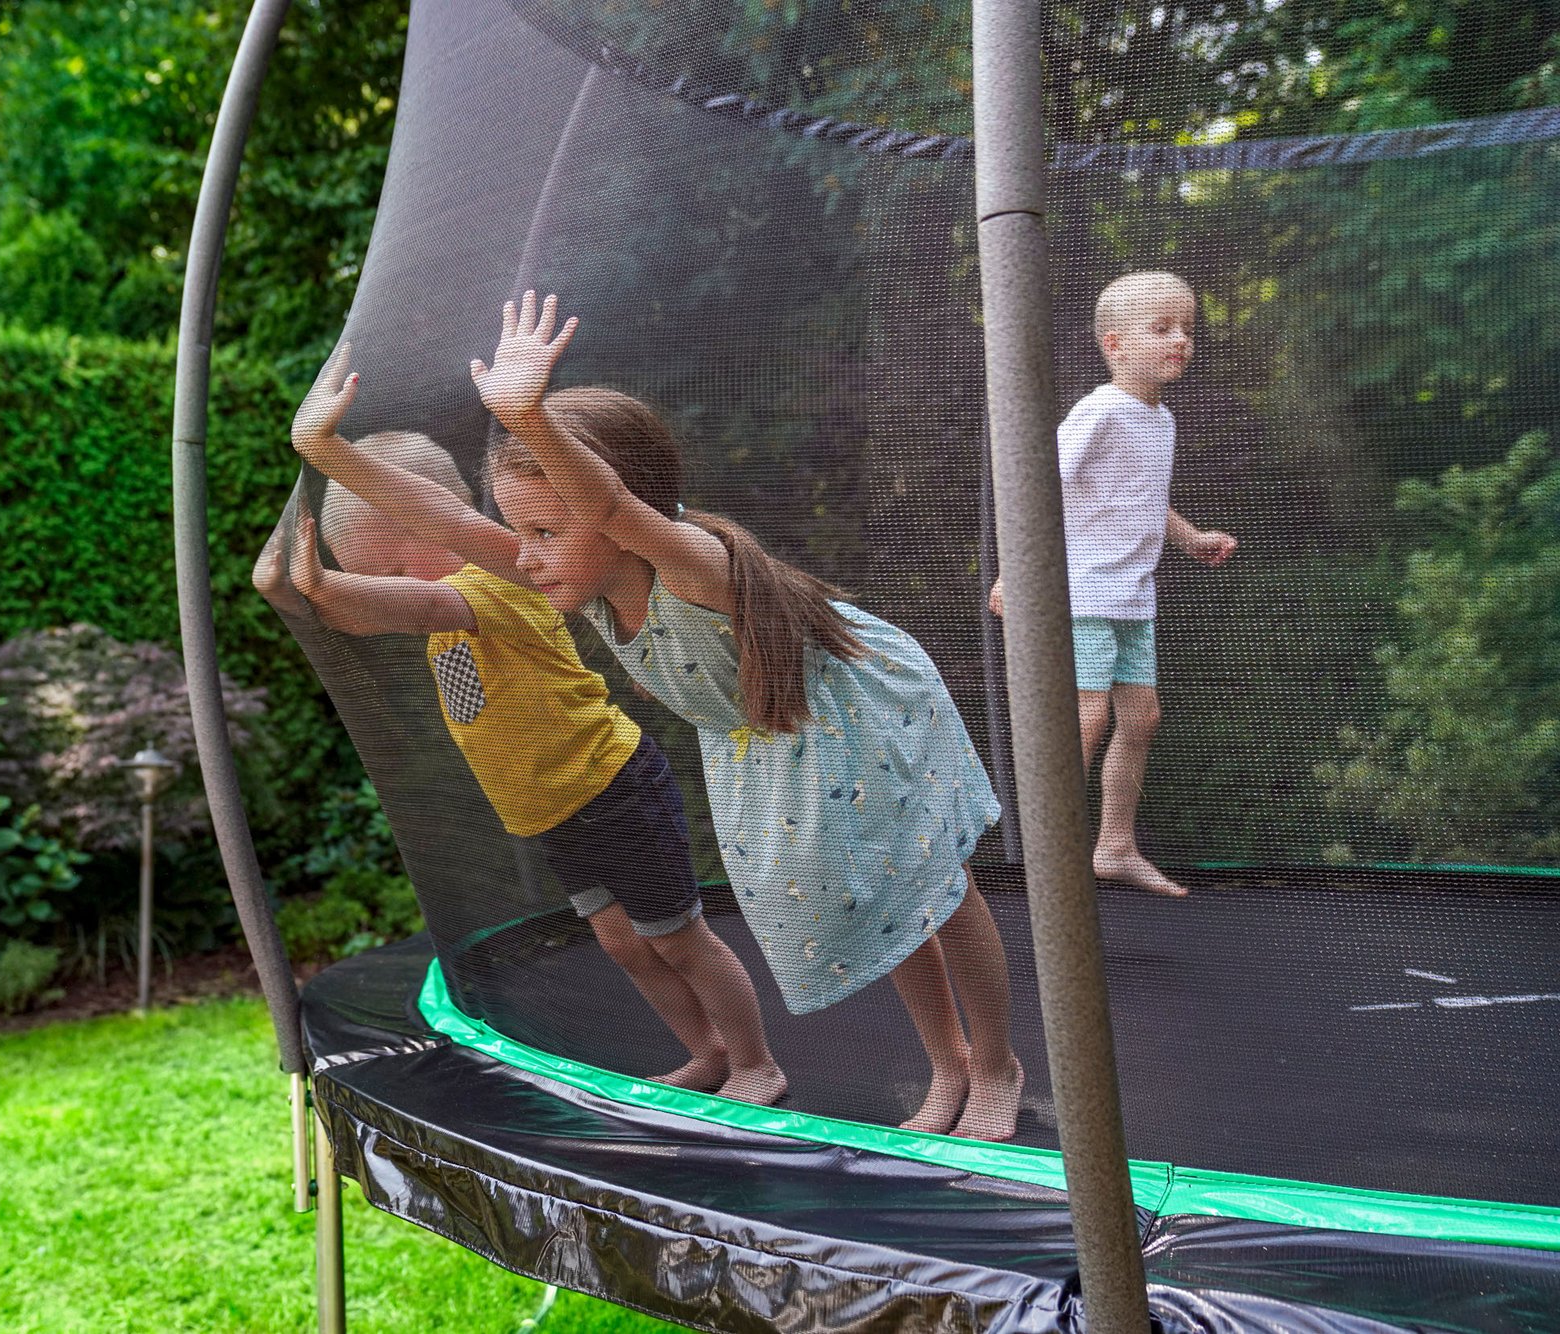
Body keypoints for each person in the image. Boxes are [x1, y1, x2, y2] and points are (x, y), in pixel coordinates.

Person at [450, 292, 1022, 1141]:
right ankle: (950, 1064)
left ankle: (999, 1064)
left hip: (862, 711)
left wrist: (530, 418)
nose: (521, 554)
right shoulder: (582, 571)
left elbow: (605, 507)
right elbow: (449, 523)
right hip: (787, 746)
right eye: (517, 530)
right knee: (884, 902)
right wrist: (321, 450)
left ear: (621, 509)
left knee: (940, 887)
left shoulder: (688, 564)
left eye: (540, 528)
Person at [262, 408, 789, 1106]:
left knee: (678, 938)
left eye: (391, 568)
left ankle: (758, 1064)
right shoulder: (446, 604)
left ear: (435, 523)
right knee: (625, 946)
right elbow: (365, 611)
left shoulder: (499, 587)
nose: (393, 587)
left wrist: (326, 589)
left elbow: (399, 607)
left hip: (611, 788)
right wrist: (296, 590)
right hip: (556, 813)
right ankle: (708, 1051)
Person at [988, 270, 1238, 898]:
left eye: (1187, 328)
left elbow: (1144, 500)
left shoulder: (1160, 419)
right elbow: (1033, 483)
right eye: (1162, 328)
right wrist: (1014, 575)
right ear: (1115, 343)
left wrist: (1191, 539)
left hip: (1132, 595)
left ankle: (1115, 844)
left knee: (1142, 718)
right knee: (1088, 715)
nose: (1180, 339)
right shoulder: (1099, 410)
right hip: (1080, 592)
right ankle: (1054, 847)